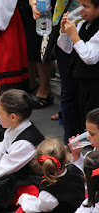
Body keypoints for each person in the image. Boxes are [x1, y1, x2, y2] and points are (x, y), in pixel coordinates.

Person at [58, 0, 99, 132]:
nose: (81, 10)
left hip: (94, 85)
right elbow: (67, 48)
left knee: (93, 120)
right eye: (80, 5)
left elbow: (90, 57)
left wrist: (74, 36)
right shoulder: (83, 24)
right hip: (78, 82)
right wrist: (64, 32)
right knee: (77, 116)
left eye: (86, 7)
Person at [17, 138, 85, 213]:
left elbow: (36, 207)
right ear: (66, 158)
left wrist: (24, 199)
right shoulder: (77, 170)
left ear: (40, 165)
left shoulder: (48, 192)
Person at [18, 0, 56, 109]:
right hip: (27, 7)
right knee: (28, 45)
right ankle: (31, 85)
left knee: (42, 46)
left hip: (44, 7)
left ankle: (44, 90)